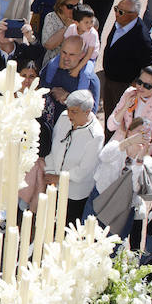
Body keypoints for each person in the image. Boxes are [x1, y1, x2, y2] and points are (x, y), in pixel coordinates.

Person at [43, 89, 104, 222]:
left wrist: (58, 178)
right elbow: (54, 147)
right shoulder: (64, 117)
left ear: (87, 111)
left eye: (74, 111)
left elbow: (84, 170)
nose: (69, 114)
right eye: (69, 109)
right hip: (53, 183)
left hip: (75, 193)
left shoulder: (96, 136)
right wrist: (51, 173)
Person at [102, 0, 152, 129]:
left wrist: (134, 87)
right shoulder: (120, 23)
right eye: (116, 9)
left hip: (123, 86)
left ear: (134, 15)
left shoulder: (142, 38)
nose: (116, 14)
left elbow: (147, 64)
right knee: (110, 116)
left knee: (121, 121)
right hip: (109, 80)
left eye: (121, 12)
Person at [106, 63, 152, 153]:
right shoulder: (129, 93)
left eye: (147, 86)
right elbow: (111, 126)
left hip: (138, 151)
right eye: (139, 82)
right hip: (118, 145)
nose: (140, 87)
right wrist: (125, 107)